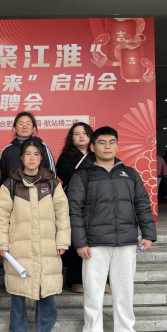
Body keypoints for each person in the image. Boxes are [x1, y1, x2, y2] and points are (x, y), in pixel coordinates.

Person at [68, 126, 157, 332]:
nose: (107, 146)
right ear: (92, 146)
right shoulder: (83, 175)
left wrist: (148, 234)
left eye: (111, 142)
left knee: (124, 291)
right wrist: (80, 242)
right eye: (102, 142)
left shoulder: (130, 174)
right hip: (95, 244)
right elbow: (74, 210)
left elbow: (142, 204)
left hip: (126, 242)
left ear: (117, 145)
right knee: (93, 291)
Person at [0, 139, 70, 332]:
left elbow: (63, 214)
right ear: (21, 157)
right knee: (18, 293)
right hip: (19, 247)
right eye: (28, 153)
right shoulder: (10, 185)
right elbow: (1, 216)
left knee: (46, 291)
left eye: (36, 154)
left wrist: (63, 240)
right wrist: (1, 242)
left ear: (41, 157)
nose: (32, 158)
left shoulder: (52, 184)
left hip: (47, 245)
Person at [56, 122, 102, 294]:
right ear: (71, 138)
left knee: (97, 240)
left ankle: (101, 279)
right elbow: (66, 175)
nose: (81, 136)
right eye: (77, 134)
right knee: (76, 238)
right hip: (74, 201)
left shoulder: (98, 154)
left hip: (96, 202)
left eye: (85, 133)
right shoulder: (66, 156)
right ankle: (75, 279)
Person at [0, 112, 55, 185]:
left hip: (39, 190)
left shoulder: (42, 146)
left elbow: (51, 172)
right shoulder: (7, 150)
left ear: (33, 126)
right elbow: (2, 176)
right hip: (13, 190)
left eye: (28, 124)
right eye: (21, 124)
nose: (24, 127)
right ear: (15, 126)